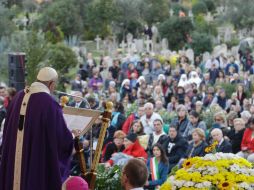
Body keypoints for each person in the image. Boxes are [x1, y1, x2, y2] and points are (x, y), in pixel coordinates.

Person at [0, 67, 74, 190]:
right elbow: (61, 141)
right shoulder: (49, 104)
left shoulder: (18, 97)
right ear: (51, 84)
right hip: (35, 162)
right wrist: (72, 137)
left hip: (14, 163)